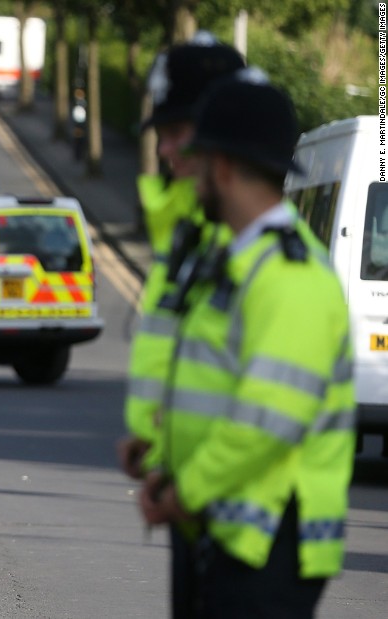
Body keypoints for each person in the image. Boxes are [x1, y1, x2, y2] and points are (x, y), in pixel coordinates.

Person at [137, 70, 355, 617]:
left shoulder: (287, 275)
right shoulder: (244, 260)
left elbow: (268, 417)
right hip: (233, 527)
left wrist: (186, 491)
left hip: (272, 540)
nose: (188, 175)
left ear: (225, 166)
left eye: (200, 164)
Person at [117, 35, 245, 483]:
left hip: (240, 512)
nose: (163, 149)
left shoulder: (256, 248)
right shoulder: (191, 235)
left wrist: (193, 487)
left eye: (175, 132)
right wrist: (156, 443)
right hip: (190, 486)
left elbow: (271, 409)